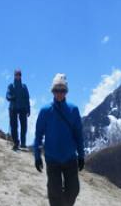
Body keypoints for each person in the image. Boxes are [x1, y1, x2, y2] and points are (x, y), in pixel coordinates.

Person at [34, 73, 85, 206]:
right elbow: (38, 134)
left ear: (66, 91)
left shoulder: (73, 110)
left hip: (70, 158)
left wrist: (81, 155)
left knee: (74, 190)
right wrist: (37, 156)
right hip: (52, 159)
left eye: (62, 90)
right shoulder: (45, 111)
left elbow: (78, 134)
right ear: (52, 91)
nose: (59, 93)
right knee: (54, 191)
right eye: (57, 90)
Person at [6, 69, 30, 151]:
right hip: (13, 108)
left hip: (23, 108)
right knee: (14, 126)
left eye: (19, 74)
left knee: (24, 126)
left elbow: (27, 98)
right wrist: (11, 98)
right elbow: (7, 95)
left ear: (21, 76)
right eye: (16, 74)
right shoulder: (11, 86)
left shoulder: (24, 86)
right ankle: (16, 142)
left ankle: (23, 143)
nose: (18, 76)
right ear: (14, 75)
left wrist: (28, 109)